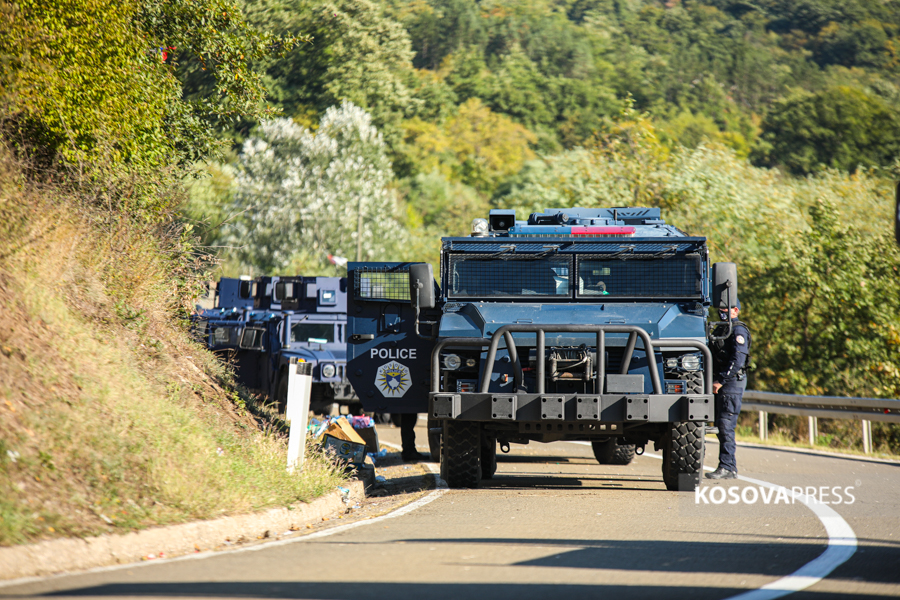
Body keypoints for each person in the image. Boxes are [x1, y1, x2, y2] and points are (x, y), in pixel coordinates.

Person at [706, 299, 751, 480]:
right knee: (721, 425)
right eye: (721, 308)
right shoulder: (721, 329)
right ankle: (728, 466)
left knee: (726, 425)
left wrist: (721, 380)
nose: (722, 311)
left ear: (736, 310)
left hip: (731, 382)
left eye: (727, 308)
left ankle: (727, 467)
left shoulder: (738, 330)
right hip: (723, 382)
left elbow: (737, 360)